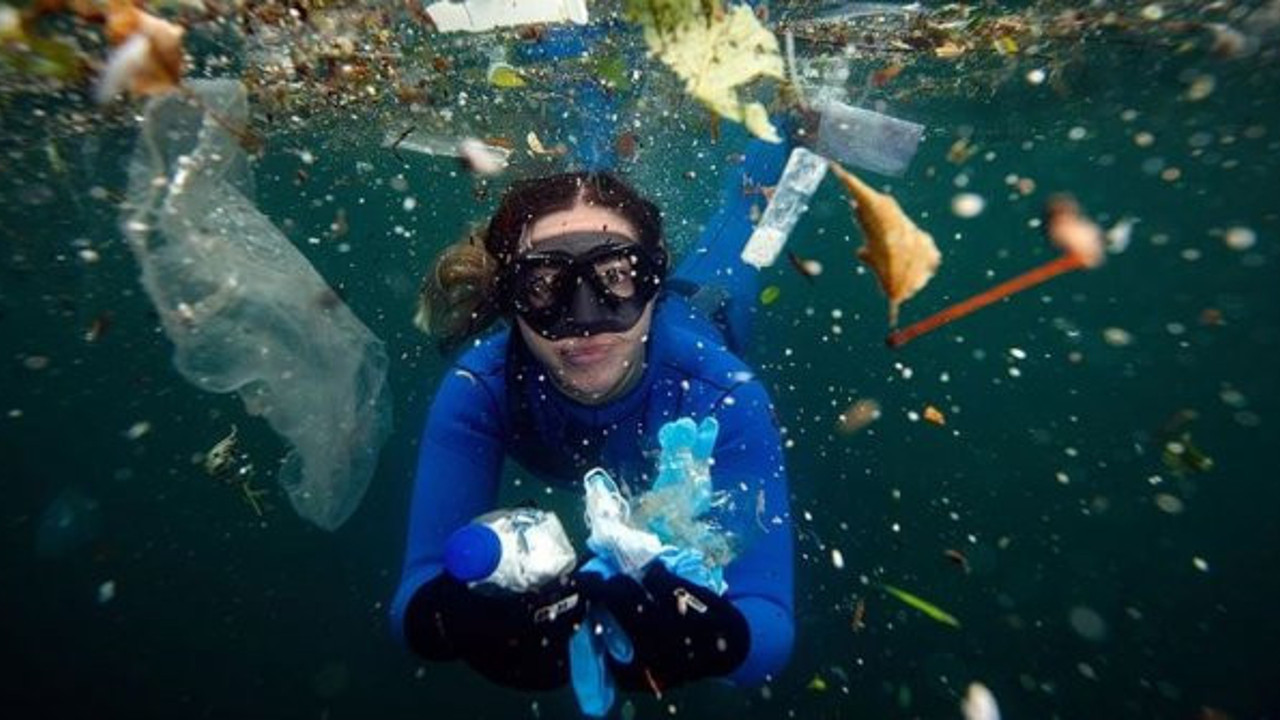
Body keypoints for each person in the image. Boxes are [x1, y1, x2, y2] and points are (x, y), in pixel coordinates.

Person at [391, 23, 796, 691]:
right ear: (508, 297)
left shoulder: (724, 389)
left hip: (708, 314)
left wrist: (714, 640)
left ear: (655, 283)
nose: (583, 324)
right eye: (544, 287)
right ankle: (591, 95)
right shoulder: (481, 387)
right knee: (589, 174)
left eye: (617, 278)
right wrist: (454, 620)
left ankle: (784, 125)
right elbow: (416, 597)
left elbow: (769, 620)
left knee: (742, 225)